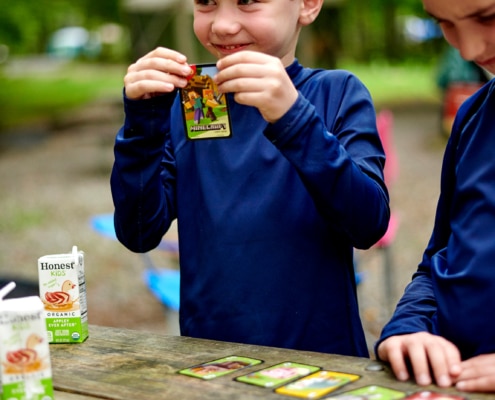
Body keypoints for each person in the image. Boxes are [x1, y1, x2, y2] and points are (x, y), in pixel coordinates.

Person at [111, 0, 389, 357]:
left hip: (322, 362)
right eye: (206, 3)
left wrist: (295, 119)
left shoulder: (337, 93)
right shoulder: (190, 105)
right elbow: (138, 231)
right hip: (211, 360)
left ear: (307, 5)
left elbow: (368, 224)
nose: (223, 25)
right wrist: (143, 123)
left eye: (248, 2)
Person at [375, 0, 495, 393]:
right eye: (446, 24)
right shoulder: (473, 116)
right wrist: (409, 327)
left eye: (488, 17)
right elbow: (441, 261)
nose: (471, 49)